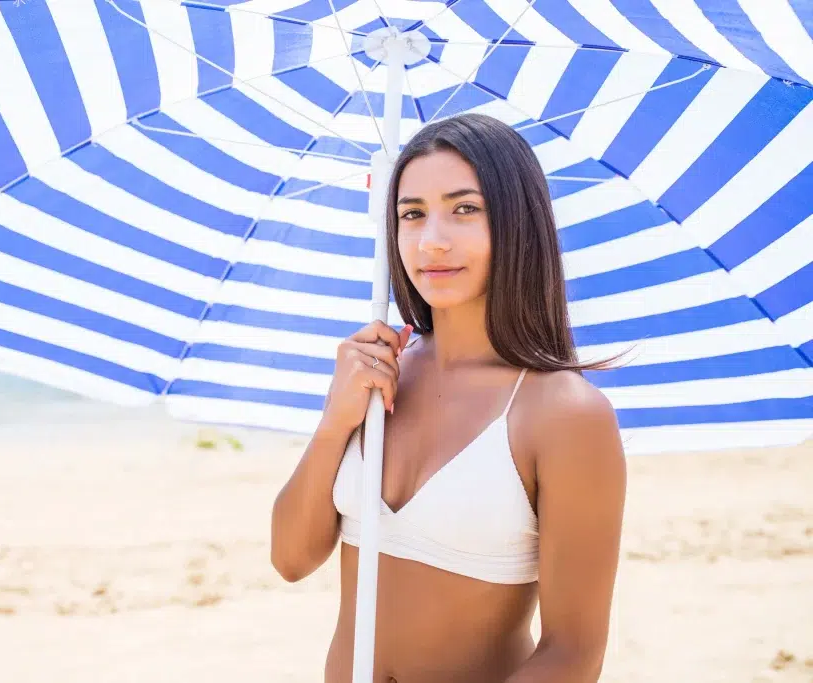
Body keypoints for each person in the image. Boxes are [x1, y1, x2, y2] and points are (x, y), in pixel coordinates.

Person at [269, 113, 627, 683]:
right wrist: (336, 422)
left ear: (517, 222)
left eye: (465, 209)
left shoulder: (564, 413)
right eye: (412, 214)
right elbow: (290, 559)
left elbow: (573, 652)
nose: (432, 240)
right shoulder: (375, 374)